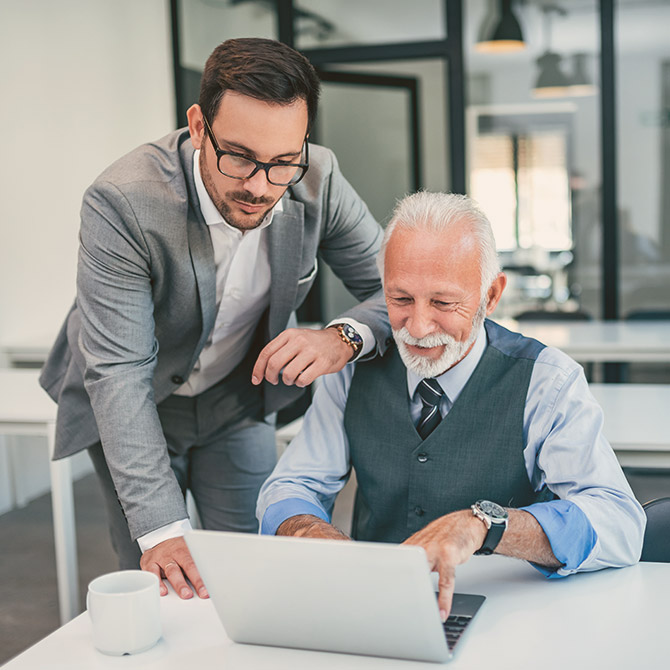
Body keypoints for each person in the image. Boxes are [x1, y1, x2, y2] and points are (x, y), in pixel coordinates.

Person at [39, 38, 390, 600]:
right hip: (137, 400)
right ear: (199, 126)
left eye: (281, 163)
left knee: (254, 566)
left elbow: (390, 288)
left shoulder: (318, 176)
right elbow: (121, 374)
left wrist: (343, 336)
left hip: (235, 398)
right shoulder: (123, 201)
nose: (259, 186)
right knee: (161, 576)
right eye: (240, 157)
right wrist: (164, 532)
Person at [257, 191, 646, 620]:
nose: (418, 327)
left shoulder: (547, 381)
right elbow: (290, 487)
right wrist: (315, 536)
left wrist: (488, 525)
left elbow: (620, 524)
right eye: (400, 299)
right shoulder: (350, 374)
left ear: (491, 295)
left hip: (515, 615)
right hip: (379, 610)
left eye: (443, 303)